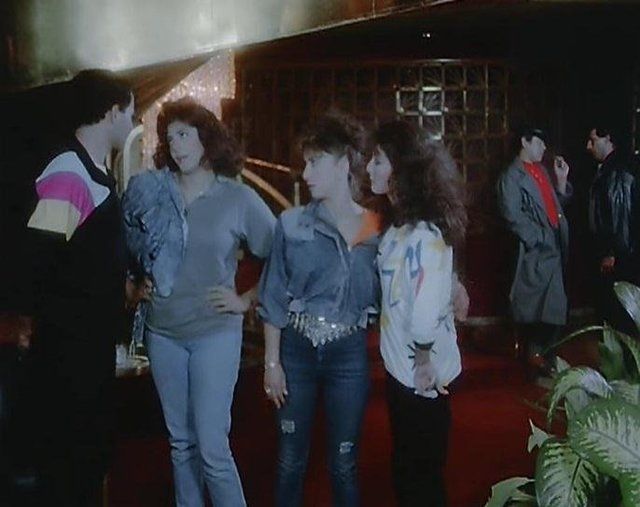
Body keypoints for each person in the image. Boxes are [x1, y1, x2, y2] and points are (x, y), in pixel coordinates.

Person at [122, 97, 275, 507]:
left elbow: (282, 255)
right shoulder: (153, 193)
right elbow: (127, 248)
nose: (176, 145)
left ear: (207, 137)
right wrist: (133, 287)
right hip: (162, 333)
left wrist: (246, 299)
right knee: (181, 444)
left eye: (184, 134)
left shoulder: (237, 198)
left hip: (214, 333)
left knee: (212, 447)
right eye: (169, 137)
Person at [19, 69, 136, 505]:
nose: (132, 123)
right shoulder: (70, 170)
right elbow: (42, 258)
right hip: (68, 351)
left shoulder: (94, 170)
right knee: (70, 464)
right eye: (130, 113)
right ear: (112, 112)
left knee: (88, 459)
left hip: (87, 344)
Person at [258, 113, 380, 507]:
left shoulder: (375, 229)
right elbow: (273, 296)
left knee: (344, 462)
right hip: (296, 350)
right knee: (290, 460)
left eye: (315, 163)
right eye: (305, 163)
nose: (306, 173)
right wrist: (272, 363)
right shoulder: (291, 224)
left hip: (349, 353)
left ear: (343, 165)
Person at [367, 120, 467, 507]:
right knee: (408, 470)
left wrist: (424, 358)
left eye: (378, 161)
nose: (369, 169)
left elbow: (425, 306)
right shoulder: (397, 227)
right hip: (401, 369)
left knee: (419, 477)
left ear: (402, 169)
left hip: (421, 374)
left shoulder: (423, 234)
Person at [497, 126, 571, 377]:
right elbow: (512, 216)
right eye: (539, 143)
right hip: (534, 253)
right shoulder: (512, 176)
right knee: (535, 309)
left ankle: (541, 357)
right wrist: (539, 238)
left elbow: (553, 207)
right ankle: (535, 359)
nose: (544, 148)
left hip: (554, 247)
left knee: (554, 309)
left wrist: (561, 182)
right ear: (525, 142)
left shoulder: (541, 171)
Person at [587, 125, 639, 335]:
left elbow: (621, 218)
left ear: (608, 139)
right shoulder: (612, 168)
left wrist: (612, 253)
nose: (589, 146)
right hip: (618, 256)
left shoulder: (617, 172)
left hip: (619, 260)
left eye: (593, 140)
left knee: (616, 317)